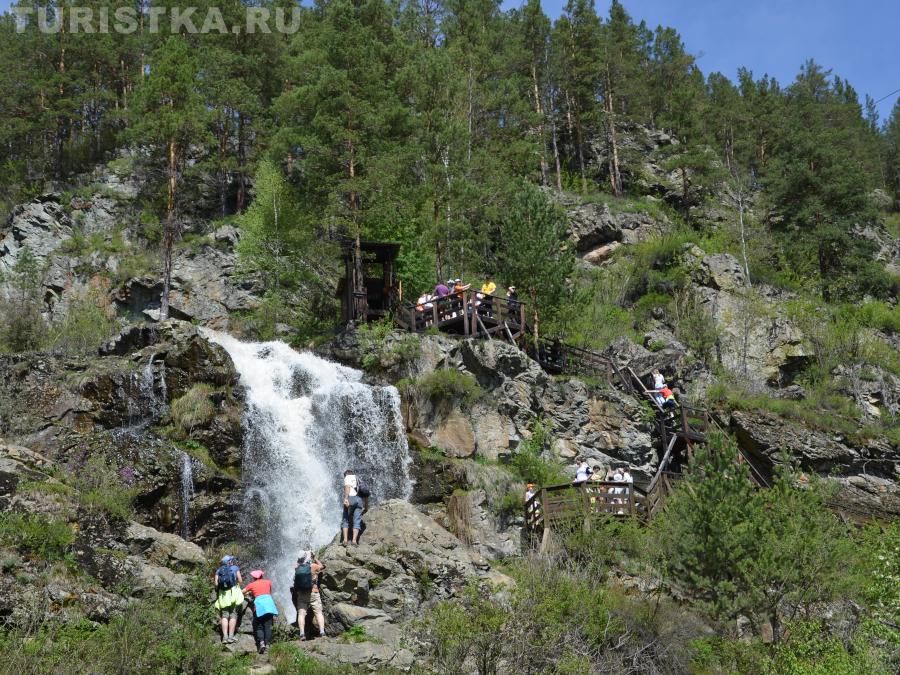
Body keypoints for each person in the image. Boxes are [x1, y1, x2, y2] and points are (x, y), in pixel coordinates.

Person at [243, 570, 278, 654]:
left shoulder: (252, 584)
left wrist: (249, 594)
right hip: (269, 605)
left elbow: (242, 591)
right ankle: (268, 644)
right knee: (268, 626)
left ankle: (262, 643)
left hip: (259, 606)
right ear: (262, 576)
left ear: (254, 577)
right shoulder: (268, 582)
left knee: (259, 626)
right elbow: (269, 592)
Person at [293, 550, 326, 640]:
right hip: (313, 592)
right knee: (318, 612)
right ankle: (322, 632)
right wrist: (315, 558)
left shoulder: (296, 568)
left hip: (302, 594)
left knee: (301, 614)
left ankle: (302, 634)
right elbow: (322, 566)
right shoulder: (313, 566)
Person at [213, 555, 244, 644]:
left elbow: (216, 584)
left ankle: (225, 637)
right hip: (234, 594)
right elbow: (240, 581)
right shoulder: (235, 568)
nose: (232, 561)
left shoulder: (218, 570)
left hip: (223, 596)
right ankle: (231, 637)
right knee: (233, 615)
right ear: (229, 562)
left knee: (224, 616)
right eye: (231, 560)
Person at [341, 469, 364, 546]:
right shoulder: (358, 478)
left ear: (346, 475)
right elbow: (365, 491)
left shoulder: (348, 477)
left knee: (345, 518)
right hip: (359, 500)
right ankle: (354, 541)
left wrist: (346, 499)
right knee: (357, 520)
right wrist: (366, 506)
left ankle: (345, 540)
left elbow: (347, 487)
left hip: (351, 498)